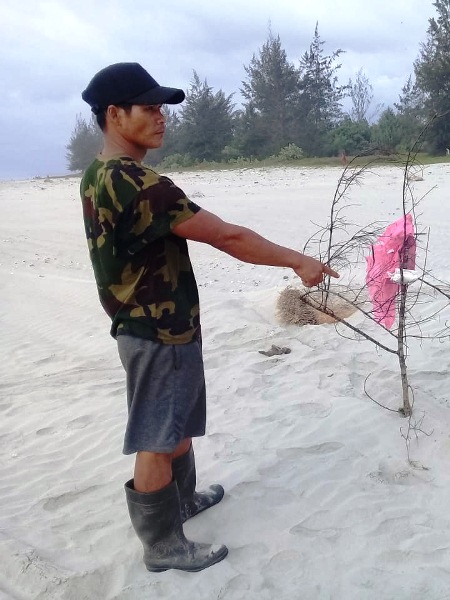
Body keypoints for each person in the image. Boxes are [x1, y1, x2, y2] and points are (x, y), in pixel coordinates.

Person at [79, 62, 339, 573]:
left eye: (162, 108)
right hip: (153, 328)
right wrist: (298, 260)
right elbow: (227, 237)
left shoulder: (98, 174)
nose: (161, 118)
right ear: (114, 114)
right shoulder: (136, 182)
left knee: (175, 423)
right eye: (149, 108)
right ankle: (162, 545)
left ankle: (183, 502)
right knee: (156, 436)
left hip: (159, 323)